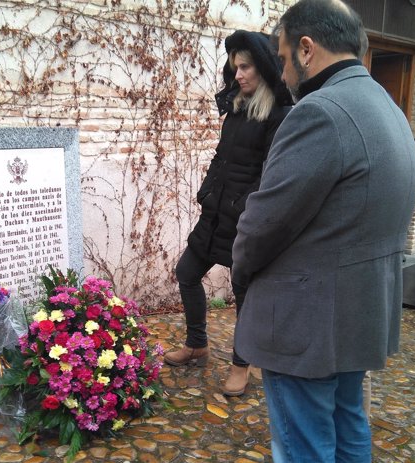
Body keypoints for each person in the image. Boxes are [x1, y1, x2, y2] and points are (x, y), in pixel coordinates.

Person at [231, 0, 415, 461]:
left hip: (307, 319)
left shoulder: (320, 112)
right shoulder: (387, 107)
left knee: (304, 444)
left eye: (281, 57)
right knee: (348, 422)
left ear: (307, 49)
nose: (283, 72)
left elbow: (264, 223)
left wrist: (240, 272)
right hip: (359, 310)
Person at [164, 30, 292, 397]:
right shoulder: (235, 110)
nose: (237, 75)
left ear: (265, 68)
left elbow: (272, 173)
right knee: (186, 272)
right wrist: (206, 191)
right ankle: (197, 344)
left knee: (244, 296)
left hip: (246, 224)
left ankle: (241, 365)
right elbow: (221, 158)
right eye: (235, 67)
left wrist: (241, 207)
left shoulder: (281, 116)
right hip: (215, 215)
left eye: (246, 67)